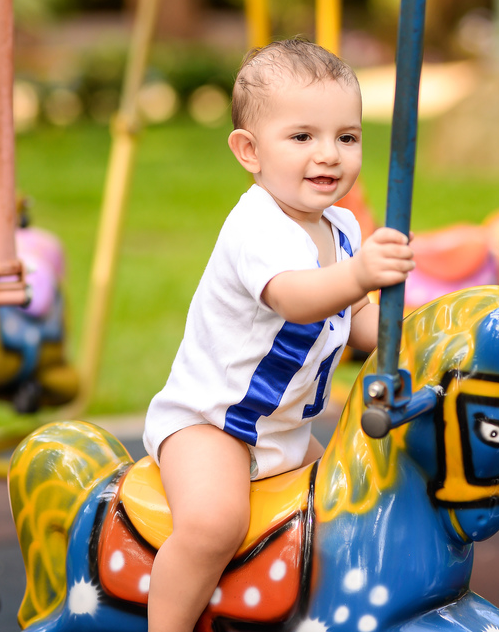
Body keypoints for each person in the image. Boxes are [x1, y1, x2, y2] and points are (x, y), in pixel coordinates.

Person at [141, 38, 415, 631]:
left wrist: (417, 332)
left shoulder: (340, 225)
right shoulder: (256, 225)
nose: (329, 155)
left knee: (348, 508)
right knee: (214, 523)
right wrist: (360, 273)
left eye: (346, 137)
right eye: (302, 137)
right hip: (211, 427)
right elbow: (296, 300)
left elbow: (360, 325)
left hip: (285, 432)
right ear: (249, 150)